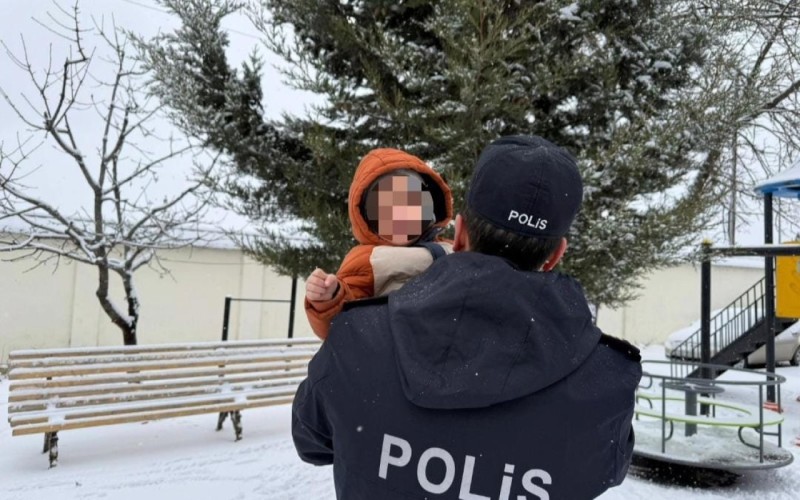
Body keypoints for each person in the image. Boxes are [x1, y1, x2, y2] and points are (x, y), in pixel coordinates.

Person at [292, 135, 642, 499]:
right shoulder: (606, 382)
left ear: (458, 235)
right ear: (556, 255)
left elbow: (312, 440)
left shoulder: (358, 342)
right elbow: (603, 471)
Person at [304, 147, 453, 339]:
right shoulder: (368, 258)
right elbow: (340, 323)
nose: (401, 216)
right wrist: (329, 299)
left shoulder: (451, 246)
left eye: (411, 204)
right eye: (386, 210)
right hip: (398, 350)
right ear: (367, 217)